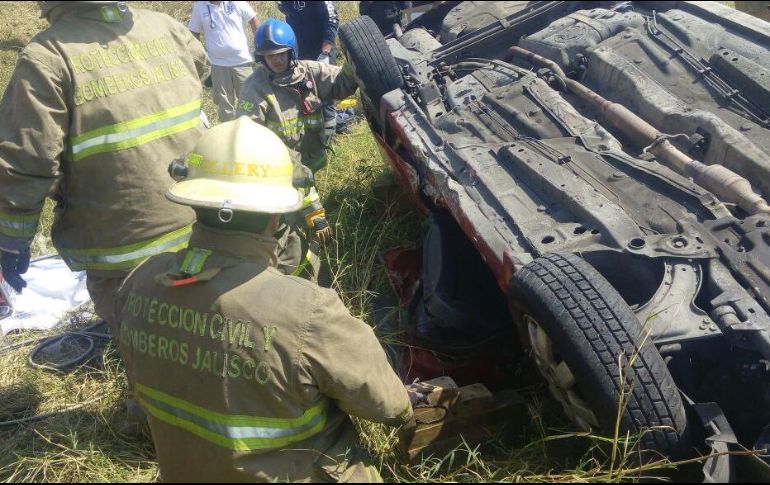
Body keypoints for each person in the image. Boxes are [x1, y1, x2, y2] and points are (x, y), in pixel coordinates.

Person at [115, 117, 413, 482]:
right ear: (275, 216)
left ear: (194, 199)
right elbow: (390, 405)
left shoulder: (139, 281)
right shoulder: (307, 312)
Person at [0, 1, 209, 328]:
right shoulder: (169, 29)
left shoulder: (48, 57)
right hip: (204, 233)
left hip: (123, 260)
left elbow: (25, 162)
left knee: (150, 351)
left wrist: (11, 241)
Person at [237, 18, 357, 278]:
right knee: (292, 239)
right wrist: (312, 207)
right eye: (269, 56)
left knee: (314, 231)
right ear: (262, 58)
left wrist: (361, 55)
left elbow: (341, 82)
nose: (276, 60)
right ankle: (298, 282)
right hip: (279, 179)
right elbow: (257, 144)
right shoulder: (255, 89)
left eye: (280, 54)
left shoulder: (309, 72)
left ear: (290, 51)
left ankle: (315, 269)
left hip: (309, 171)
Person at [278, 1, 340, 139]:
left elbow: (332, 20)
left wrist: (325, 52)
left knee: (326, 96)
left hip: (322, 50)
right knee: (305, 94)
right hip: (300, 53)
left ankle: (330, 137)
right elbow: (289, 21)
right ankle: (312, 134)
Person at [189, 1, 258, 122]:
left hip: (242, 62)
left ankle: (250, 133)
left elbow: (253, 19)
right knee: (224, 105)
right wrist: (201, 59)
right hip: (218, 65)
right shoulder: (199, 6)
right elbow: (193, 33)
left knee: (250, 101)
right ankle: (229, 137)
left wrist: (260, 46)